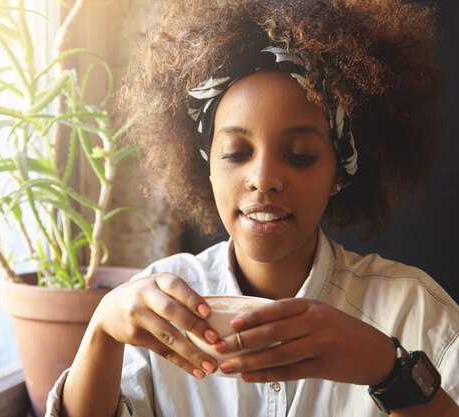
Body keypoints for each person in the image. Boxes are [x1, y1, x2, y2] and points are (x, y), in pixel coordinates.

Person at [46, 0, 459, 416]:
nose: (262, 178)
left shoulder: (416, 310)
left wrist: (389, 370)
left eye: (299, 155)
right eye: (235, 152)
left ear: (340, 172)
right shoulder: (159, 304)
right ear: (205, 165)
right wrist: (102, 331)